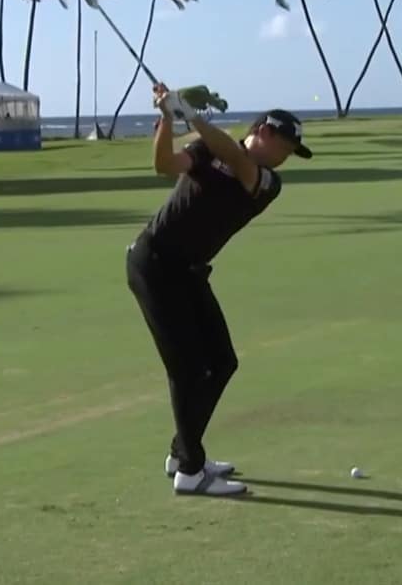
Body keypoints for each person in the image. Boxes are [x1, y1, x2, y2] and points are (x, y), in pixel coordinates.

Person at [125, 81, 313, 497]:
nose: (285, 158)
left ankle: (183, 451)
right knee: (188, 370)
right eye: (284, 146)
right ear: (263, 131)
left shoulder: (265, 181)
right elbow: (164, 165)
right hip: (154, 264)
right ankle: (190, 471)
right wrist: (168, 118)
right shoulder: (209, 149)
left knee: (222, 362)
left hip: (188, 272)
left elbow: (233, 156)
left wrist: (190, 114)